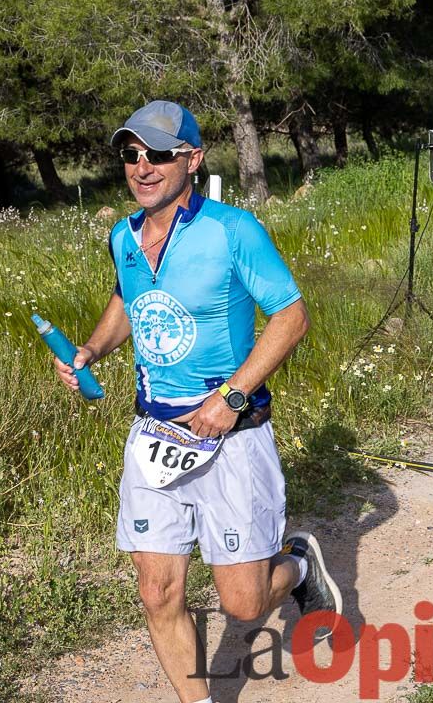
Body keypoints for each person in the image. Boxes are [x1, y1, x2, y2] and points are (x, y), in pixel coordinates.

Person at [54, 100, 341, 703]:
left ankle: (299, 566)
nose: (142, 167)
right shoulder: (122, 235)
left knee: (242, 603)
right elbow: (127, 302)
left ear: (192, 158)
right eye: (131, 155)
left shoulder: (233, 231)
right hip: (155, 437)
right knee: (157, 590)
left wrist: (233, 397)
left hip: (231, 438)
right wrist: (90, 350)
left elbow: (292, 316)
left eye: (158, 154)